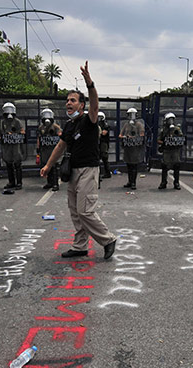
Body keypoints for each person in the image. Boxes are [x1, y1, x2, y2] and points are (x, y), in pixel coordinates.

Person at [39, 61, 117, 260]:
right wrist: (48, 165)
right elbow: (60, 146)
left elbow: (95, 104)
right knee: (75, 211)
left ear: (81, 105)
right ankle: (80, 245)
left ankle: (108, 239)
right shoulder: (69, 125)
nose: (68, 103)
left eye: (72, 100)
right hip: (72, 171)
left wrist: (88, 81)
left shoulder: (89, 120)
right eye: (67, 100)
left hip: (88, 171)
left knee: (85, 211)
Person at [0, 102, 26, 191]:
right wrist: (6, 135)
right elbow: (2, 132)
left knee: (17, 164)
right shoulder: (3, 122)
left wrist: (15, 133)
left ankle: (19, 182)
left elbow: (22, 132)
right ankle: (11, 182)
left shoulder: (17, 121)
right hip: (7, 146)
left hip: (16, 146)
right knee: (8, 164)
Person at [157, 112, 185, 190]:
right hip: (167, 151)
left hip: (175, 150)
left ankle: (176, 183)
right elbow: (158, 140)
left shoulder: (177, 129)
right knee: (164, 166)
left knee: (176, 166)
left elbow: (181, 138)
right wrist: (165, 142)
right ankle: (163, 182)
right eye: (169, 120)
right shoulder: (164, 130)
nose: (170, 121)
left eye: (172, 119)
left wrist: (176, 140)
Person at [119, 107, 145, 189]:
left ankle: (133, 183)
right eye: (130, 115)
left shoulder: (139, 124)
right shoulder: (126, 124)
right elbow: (120, 135)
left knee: (134, 166)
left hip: (135, 149)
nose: (131, 116)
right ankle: (129, 182)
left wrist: (133, 137)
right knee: (128, 166)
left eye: (133, 115)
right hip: (127, 148)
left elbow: (142, 135)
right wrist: (125, 137)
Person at [38, 108, 62, 191]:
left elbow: (60, 136)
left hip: (53, 149)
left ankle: (55, 183)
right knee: (47, 166)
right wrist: (38, 148)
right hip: (45, 150)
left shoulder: (56, 126)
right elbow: (39, 138)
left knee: (54, 166)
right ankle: (50, 182)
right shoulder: (41, 127)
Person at [97, 111, 111, 178]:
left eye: (100, 117)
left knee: (104, 157)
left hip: (103, 143)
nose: (99, 118)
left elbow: (103, 133)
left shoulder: (105, 124)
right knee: (97, 158)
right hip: (98, 143)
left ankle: (108, 173)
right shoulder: (97, 124)